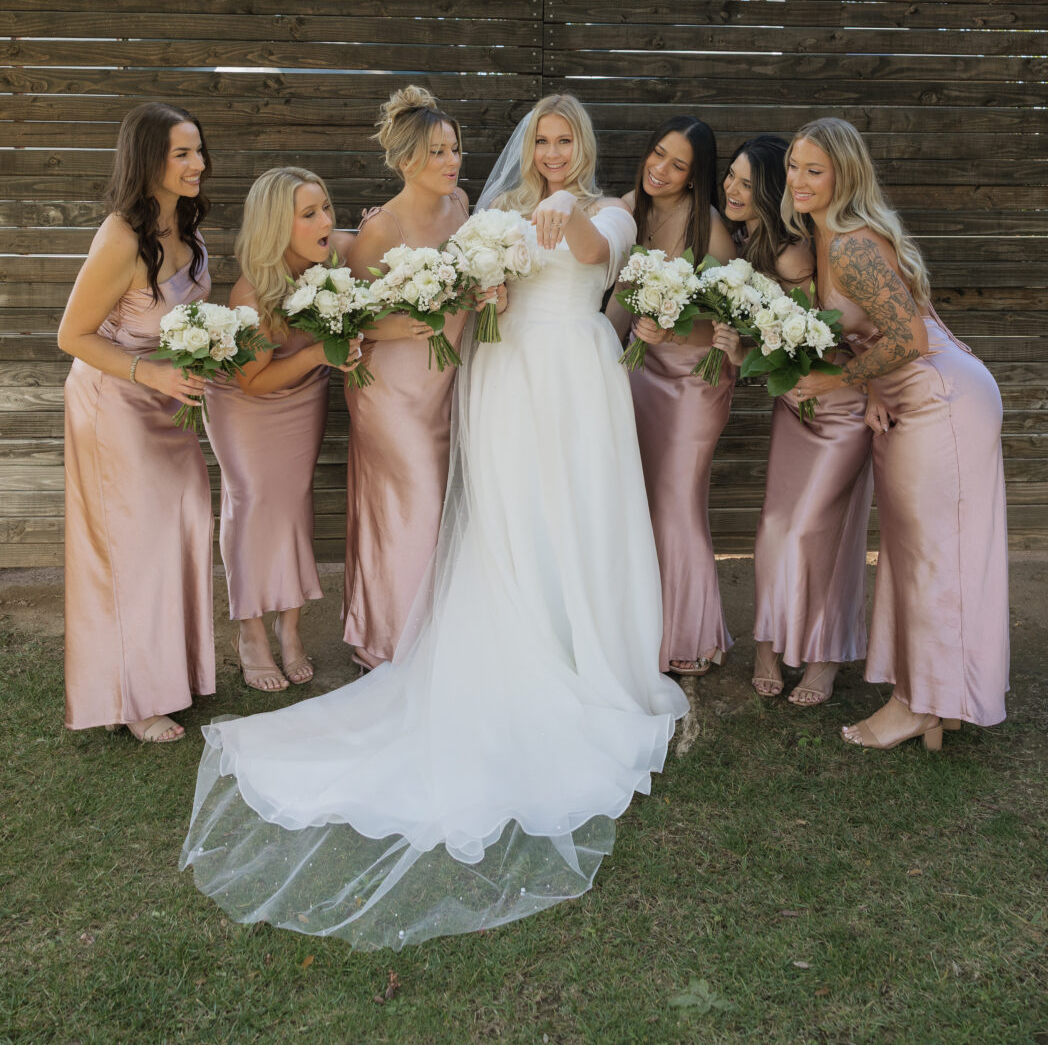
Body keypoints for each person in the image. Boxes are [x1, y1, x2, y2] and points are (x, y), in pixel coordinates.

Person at [181, 91, 687, 949]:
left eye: (566, 141)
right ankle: (486, 632)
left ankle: (584, 646)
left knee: (580, 514)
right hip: (497, 376)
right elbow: (409, 261)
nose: (554, 153)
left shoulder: (607, 209)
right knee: (506, 517)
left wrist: (567, 211)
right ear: (530, 146)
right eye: (543, 141)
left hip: (575, 378)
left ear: (585, 145)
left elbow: (598, 252)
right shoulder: (493, 213)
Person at [786, 117, 1009, 749]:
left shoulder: (853, 244)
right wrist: (872, 386)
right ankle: (940, 698)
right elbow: (883, 334)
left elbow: (911, 338)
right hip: (912, 396)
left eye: (814, 170)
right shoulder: (823, 238)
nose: (799, 181)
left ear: (843, 176)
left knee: (934, 556)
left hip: (943, 398)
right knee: (915, 554)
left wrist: (838, 383)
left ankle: (922, 704)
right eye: (795, 168)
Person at [59, 103, 215, 744]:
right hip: (114, 405)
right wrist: (149, 374)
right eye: (182, 154)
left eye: (199, 151)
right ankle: (131, 696)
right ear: (149, 160)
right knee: (132, 546)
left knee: (181, 522)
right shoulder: (120, 238)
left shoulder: (187, 226)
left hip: (167, 405)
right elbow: (72, 334)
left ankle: (172, 672)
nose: (197, 163)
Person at [713, 136, 874, 707]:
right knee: (774, 529)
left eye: (745, 181)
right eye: (729, 177)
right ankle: (767, 643)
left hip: (840, 411)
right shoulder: (743, 244)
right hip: (794, 406)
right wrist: (739, 354)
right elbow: (776, 345)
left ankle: (825, 656)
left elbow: (837, 333)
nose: (732, 189)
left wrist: (867, 386)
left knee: (818, 531)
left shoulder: (791, 254)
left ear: (768, 191)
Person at [206, 167, 362, 693]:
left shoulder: (327, 262)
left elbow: (381, 237)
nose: (326, 222)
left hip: (303, 399)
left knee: (293, 504)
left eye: (326, 208)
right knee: (252, 504)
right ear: (278, 226)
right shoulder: (252, 294)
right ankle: (250, 633)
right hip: (247, 408)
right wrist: (323, 352)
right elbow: (252, 379)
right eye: (310, 214)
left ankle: (289, 630)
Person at [340, 86, 470, 667]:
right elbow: (348, 319)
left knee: (441, 504)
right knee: (412, 502)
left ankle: (437, 629)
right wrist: (408, 326)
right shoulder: (381, 230)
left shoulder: (462, 206)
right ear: (404, 161)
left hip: (445, 382)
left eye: (454, 149)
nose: (451, 162)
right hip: (389, 387)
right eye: (437, 153)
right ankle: (390, 642)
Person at [608, 116, 737, 675]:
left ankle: (689, 636)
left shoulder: (709, 228)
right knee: (636, 501)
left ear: (694, 176)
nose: (659, 169)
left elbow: (731, 322)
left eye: (676, 164)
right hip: (640, 370)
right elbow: (619, 294)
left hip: (693, 380)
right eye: (657, 154)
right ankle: (640, 629)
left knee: (677, 502)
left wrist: (670, 329)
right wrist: (599, 352)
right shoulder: (629, 207)